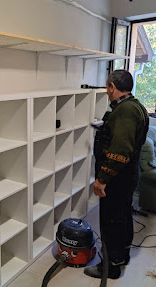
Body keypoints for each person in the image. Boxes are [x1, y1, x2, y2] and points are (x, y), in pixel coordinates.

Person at [84, 70, 149, 279]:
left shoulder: (125, 110)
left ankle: (110, 267)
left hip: (117, 178)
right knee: (122, 216)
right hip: (127, 175)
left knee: (111, 220)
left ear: (112, 87)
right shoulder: (135, 105)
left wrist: (102, 179)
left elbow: (121, 149)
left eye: (107, 86)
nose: (107, 91)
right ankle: (122, 256)